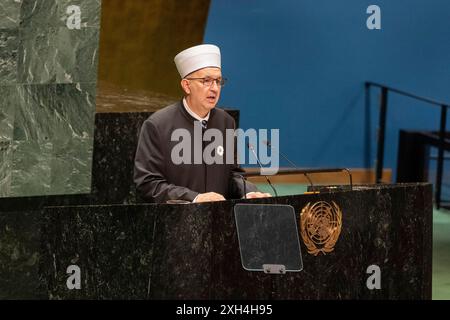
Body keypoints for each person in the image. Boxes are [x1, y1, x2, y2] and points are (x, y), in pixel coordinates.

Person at [134, 44, 271, 203]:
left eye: (218, 81)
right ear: (186, 85)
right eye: (206, 81)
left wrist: (248, 192)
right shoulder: (158, 125)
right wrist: (195, 198)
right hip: (176, 222)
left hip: (219, 221)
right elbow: (148, 184)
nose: (214, 88)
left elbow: (232, 175)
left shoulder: (225, 122)